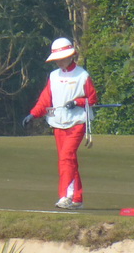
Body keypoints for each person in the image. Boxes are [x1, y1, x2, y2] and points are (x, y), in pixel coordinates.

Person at [23, 37, 98, 210]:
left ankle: (66, 196)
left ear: (71, 56)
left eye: (62, 58)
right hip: (58, 123)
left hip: (77, 122)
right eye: (57, 59)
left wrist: (78, 102)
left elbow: (92, 98)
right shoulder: (53, 76)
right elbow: (45, 99)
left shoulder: (82, 75)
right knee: (68, 160)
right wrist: (33, 114)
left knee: (66, 158)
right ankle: (77, 197)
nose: (59, 62)